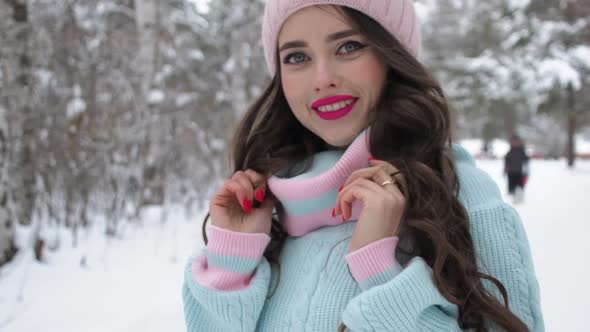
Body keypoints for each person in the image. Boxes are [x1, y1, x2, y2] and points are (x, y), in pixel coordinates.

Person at [182, 1, 544, 331]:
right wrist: (232, 262)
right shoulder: (272, 202)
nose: (322, 78)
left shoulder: (462, 193)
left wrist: (380, 270)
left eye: (348, 47)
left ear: (392, 56)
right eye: (296, 57)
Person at [504, 135, 530, 204]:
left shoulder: (522, 151)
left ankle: (519, 199)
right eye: (513, 141)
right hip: (511, 172)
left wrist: (526, 172)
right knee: (511, 188)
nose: (515, 143)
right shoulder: (510, 152)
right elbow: (506, 162)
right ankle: (513, 198)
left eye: (516, 141)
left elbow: (526, 162)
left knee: (520, 186)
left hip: (520, 172)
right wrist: (505, 170)